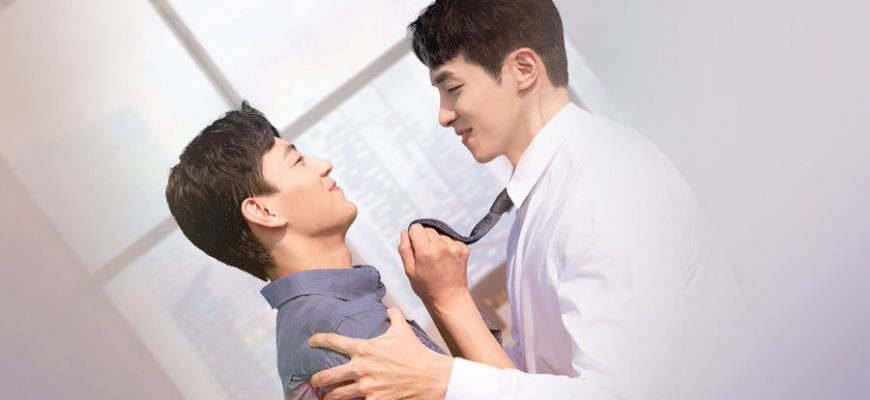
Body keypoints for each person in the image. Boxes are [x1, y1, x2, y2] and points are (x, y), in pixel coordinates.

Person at [307, 1, 754, 399]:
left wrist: (441, 380)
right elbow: (537, 378)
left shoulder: (606, 186)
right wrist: (448, 300)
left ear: (524, 69)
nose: (443, 115)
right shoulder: (546, 195)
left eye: (453, 88)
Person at [165, 103, 495, 399]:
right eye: (297, 161)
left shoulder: (307, 325)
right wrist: (450, 296)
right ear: (264, 212)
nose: (324, 165)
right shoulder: (352, 328)